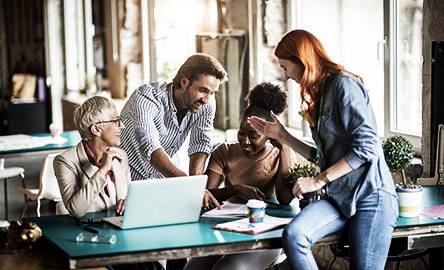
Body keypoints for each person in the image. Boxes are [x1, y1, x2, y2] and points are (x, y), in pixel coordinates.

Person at [247, 29, 399, 270]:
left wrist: (318, 181)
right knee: (295, 236)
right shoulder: (319, 94)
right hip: (339, 198)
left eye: (285, 67)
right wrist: (282, 135)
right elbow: (321, 155)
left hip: (371, 196)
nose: (285, 75)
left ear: (301, 60)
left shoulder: (344, 84)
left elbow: (367, 147)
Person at [184, 82, 297, 270]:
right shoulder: (224, 151)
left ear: (269, 134)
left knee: (227, 269)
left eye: (253, 135)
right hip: (228, 228)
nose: (245, 141)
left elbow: (285, 199)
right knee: (191, 269)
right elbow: (205, 195)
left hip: (265, 233)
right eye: (241, 132)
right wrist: (235, 190)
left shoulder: (280, 154)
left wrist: (285, 145)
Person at [54, 96, 130, 219]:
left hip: (118, 227)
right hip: (87, 232)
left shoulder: (121, 156)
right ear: (96, 129)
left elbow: (128, 196)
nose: (122, 126)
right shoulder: (65, 161)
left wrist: (127, 202)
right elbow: (76, 210)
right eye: (116, 121)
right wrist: (103, 170)